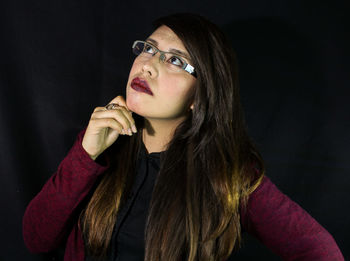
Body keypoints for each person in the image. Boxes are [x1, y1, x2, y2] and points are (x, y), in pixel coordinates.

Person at [23, 13, 344, 261]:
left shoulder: (228, 175)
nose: (148, 65)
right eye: (148, 49)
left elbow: (319, 251)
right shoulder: (101, 142)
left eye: (175, 60)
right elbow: (36, 238)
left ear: (199, 96)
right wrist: (85, 154)